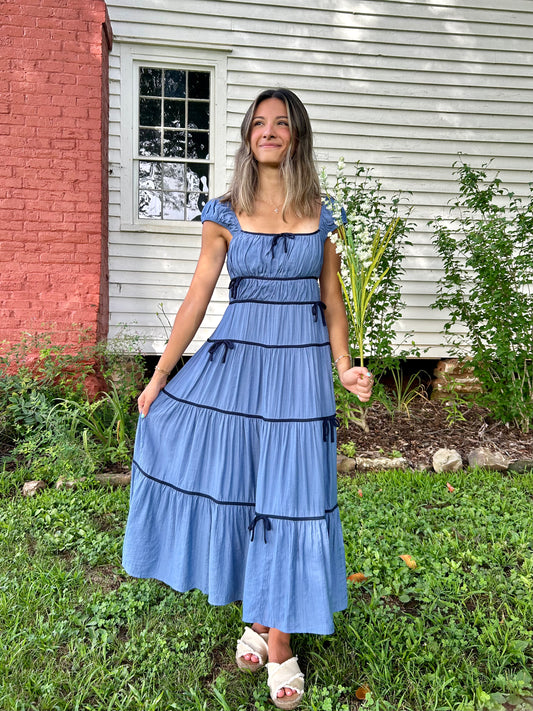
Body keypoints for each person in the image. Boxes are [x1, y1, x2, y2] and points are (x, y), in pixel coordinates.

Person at [122, 88, 373, 710]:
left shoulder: (321, 211)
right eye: (258, 123)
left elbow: (331, 299)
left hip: (300, 379)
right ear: (247, 136)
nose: (268, 131)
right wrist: (158, 379)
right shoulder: (225, 211)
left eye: (280, 123)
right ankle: (263, 619)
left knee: (293, 496)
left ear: (296, 135)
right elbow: (198, 297)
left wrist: (345, 367)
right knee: (248, 491)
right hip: (238, 371)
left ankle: (279, 639)